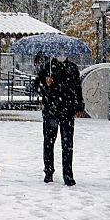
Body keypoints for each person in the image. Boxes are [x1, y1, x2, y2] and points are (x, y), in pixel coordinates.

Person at [34, 55, 84, 186]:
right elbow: (36, 87)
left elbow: (77, 88)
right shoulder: (47, 67)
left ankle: (68, 174)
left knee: (67, 144)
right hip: (51, 110)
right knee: (49, 142)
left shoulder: (72, 68)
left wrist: (79, 105)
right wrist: (46, 84)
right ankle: (48, 171)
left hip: (67, 110)